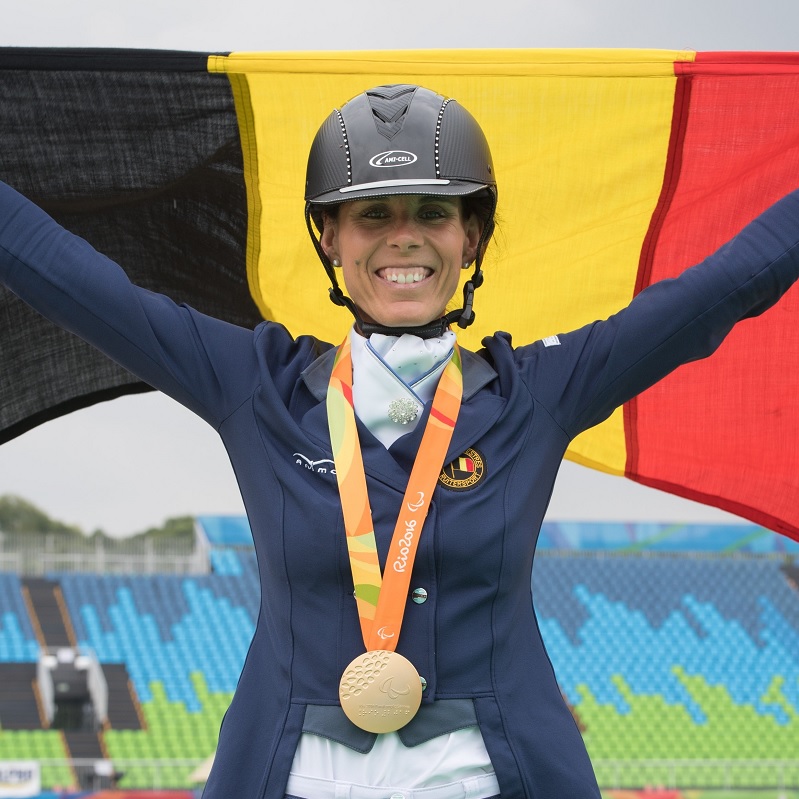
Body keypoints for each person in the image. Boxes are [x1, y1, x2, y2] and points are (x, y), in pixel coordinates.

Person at [1, 82, 798, 799]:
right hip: (291, 776)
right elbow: (65, 274)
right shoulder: (254, 383)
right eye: (373, 213)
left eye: (433, 211)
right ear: (330, 239)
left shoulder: (541, 392)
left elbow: (722, 287)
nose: (404, 237)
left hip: (491, 776)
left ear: (471, 237)